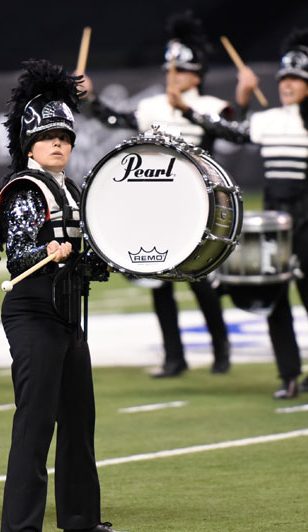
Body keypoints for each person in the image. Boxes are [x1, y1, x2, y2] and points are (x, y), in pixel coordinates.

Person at [0, 60, 133, 532]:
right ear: (28, 143)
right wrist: (51, 252)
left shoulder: (72, 189)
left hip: (68, 315)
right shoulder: (23, 190)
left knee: (79, 419)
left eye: (65, 136)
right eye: (47, 136)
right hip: (33, 314)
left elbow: (87, 256)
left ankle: (79, 521)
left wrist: (106, 258)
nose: (58, 144)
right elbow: (21, 251)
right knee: (36, 422)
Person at [169, 28, 308, 398]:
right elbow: (230, 131)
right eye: (284, 77)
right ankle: (289, 374)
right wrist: (188, 110)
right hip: (274, 216)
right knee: (274, 292)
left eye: (296, 79)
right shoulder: (267, 121)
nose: (287, 84)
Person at [80, 11, 230, 378]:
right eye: (169, 70)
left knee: (202, 282)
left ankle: (221, 350)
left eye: (179, 71)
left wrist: (193, 109)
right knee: (159, 282)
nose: (172, 77)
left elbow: (231, 128)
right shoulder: (151, 108)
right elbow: (112, 119)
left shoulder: (210, 106)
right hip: (160, 205)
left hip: (199, 207)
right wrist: (90, 97)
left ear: (195, 75)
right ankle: (173, 356)